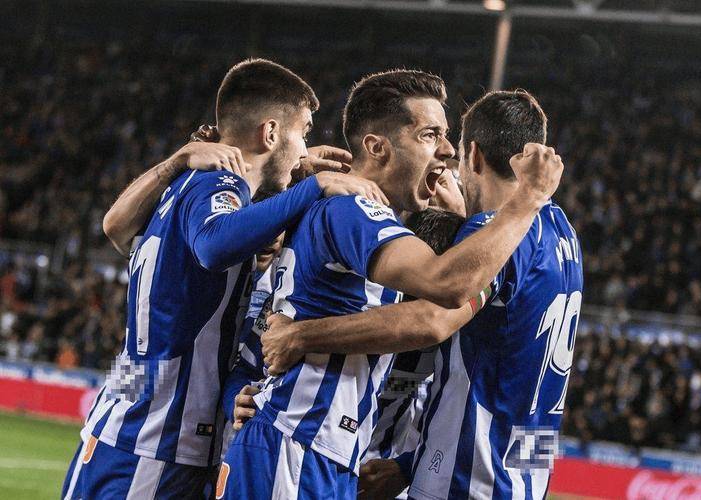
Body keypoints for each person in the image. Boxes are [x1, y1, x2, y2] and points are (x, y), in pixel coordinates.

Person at [218, 71, 563, 499]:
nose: (447, 150)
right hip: (295, 446)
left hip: (321, 451)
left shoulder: (372, 225)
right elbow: (446, 285)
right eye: (429, 135)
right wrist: (527, 198)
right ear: (377, 147)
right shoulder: (353, 211)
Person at [61, 58, 385, 500]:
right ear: (270, 133)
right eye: (304, 133)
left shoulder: (185, 184)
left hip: (133, 421)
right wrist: (314, 187)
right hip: (153, 441)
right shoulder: (220, 185)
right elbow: (213, 246)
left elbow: (115, 226)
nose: (305, 149)